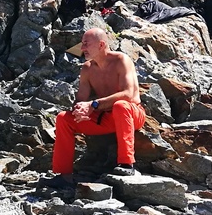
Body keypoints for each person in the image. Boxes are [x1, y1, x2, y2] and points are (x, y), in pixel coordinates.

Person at [47, 28, 146, 187]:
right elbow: (80, 100)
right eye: (82, 44)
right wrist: (79, 109)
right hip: (104, 118)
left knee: (121, 106)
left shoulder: (121, 60)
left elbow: (129, 95)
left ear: (101, 45)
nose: (82, 48)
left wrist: (94, 105)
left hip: (131, 115)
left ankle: (127, 164)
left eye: (86, 44)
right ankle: (63, 175)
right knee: (63, 118)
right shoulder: (87, 68)